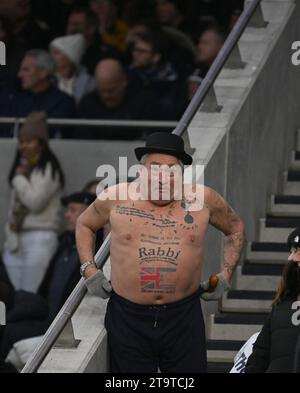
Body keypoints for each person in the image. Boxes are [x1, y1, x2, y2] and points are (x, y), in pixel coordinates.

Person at [76, 132, 245, 373]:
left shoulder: (202, 199)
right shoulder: (116, 197)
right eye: (155, 167)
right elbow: (84, 224)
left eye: (171, 169)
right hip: (128, 316)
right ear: (142, 170)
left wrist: (226, 275)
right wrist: (89, 269)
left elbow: (235, 227)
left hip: (183, 316)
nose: (163, 176)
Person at [0, 192, 95, 364]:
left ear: (89, 212)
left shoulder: (93, 250)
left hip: (66, 327)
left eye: (73, 210)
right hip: (46, 319)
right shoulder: (64, 244)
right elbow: (44, 289)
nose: (67, 215)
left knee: (12, 332)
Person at [2, 112, 64, 294]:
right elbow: (14, 208)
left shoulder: (49, 168)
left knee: (30, 293)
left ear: (41, 143)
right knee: (15, 294)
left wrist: (19, 179)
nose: (23, 146)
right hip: (16, 238)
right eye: (21, 141)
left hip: (40, 236)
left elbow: (36, 202)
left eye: (29, 141)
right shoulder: (24, 167)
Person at [245, 228, 300, 373]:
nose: (292, 258)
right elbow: (258, 358)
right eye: (293, 251)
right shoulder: (282, 305)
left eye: (298, 251)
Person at [76, 58, 159, 139]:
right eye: (101, 91)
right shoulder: (88, 103)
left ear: (124, 81)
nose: (106, 96)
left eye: (110, 91)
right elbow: (82, 138)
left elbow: (149, 137)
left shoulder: (144, 101)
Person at [0, 50, 75, 137]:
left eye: (26, 70)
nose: (19, 74)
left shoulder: (63, 102)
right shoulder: (13, 98)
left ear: (43, 73)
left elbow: (49, 134)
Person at [128, 30, 187, 120]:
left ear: (156, 57)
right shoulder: (127, 75)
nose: (135, 54)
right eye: (135, 50)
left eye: (141, 51)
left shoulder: (172, 83)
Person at [66, 6, 121, 75]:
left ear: (91, 29)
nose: (70, 29)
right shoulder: (61, 53)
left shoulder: (108, 55)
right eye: (69, 24)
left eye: (76, 25)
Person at [50, 34, 96, 104]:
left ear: (70, 57)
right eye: (51, 53)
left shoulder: (89, 83)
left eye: (56, 53)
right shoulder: (48, 79)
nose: (51, 57)